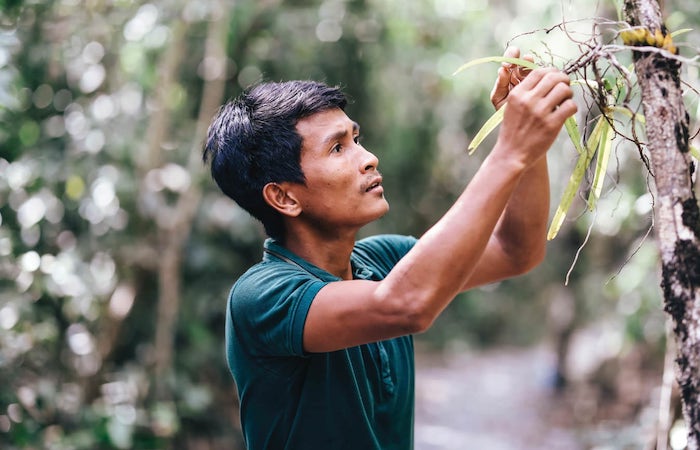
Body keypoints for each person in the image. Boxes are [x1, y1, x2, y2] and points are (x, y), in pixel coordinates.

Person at [203, 47, 576, 450]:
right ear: (284, 198)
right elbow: (406, 303)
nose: (368, 158)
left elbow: (516, 250)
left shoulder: (382, 260)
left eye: (356, 139)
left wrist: (523, 142)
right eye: (337, 148)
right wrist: (510, 151)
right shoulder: (261, 296)